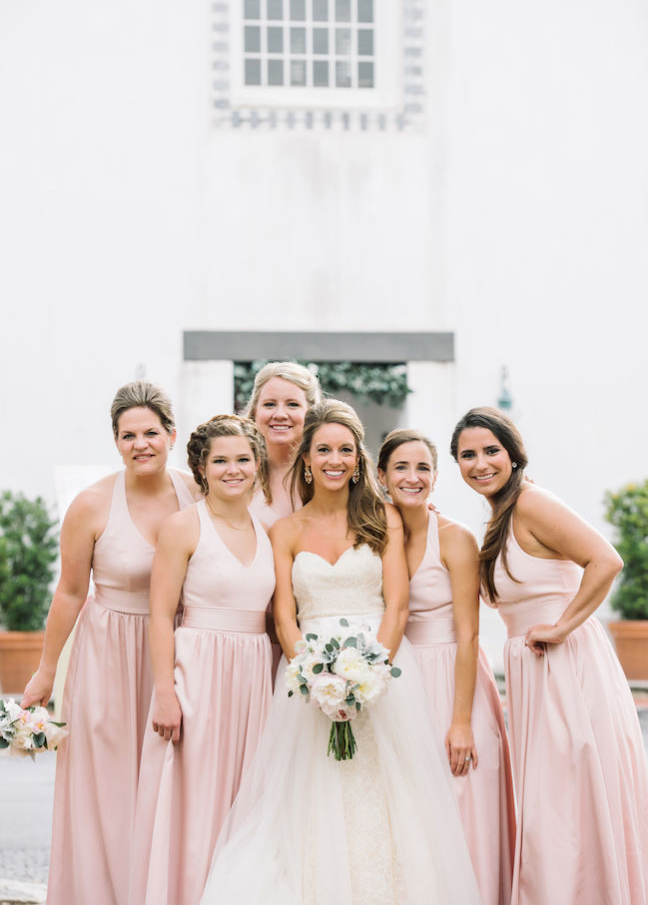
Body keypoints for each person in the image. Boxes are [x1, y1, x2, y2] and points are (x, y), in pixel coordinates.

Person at [200, 400, 481, 904]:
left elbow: (396, 607)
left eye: (346, 450)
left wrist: (370, 675)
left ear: (358, 460)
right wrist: (312, 676)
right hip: (307, 681)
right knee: (311, 796)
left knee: (392, 797)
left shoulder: (384, 519)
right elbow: (284, 615)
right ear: (306, 458)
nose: (335, 459)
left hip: (385, 675)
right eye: (324, 449)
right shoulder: (283, 530)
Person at [451, 406, 648, 905]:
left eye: (490, 451)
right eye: (467, 455)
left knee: (566, 802)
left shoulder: (532, 502)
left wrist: (563, 626)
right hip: (534, 674)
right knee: (554, 803)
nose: (480, 463)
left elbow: (606, 559)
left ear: (513, 454)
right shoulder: (499, 516)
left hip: (566, 669)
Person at [21, 381, 198, 905]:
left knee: (172, 779)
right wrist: (45, 671)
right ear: (116, 442)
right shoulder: (91, 504)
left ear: (171, 434)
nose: (140, 444)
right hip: (107, 654)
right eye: (128, 435)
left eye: (150, 433)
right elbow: (70, 591)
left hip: (180, 652)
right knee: (108, 785)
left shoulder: (199, 492)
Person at [129, 415, 275, 905]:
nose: (233, 470)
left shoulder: (270, 530)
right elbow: (160, 613)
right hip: (197, 675)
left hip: (254, 677)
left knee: (243, 799)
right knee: (194, 801)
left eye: (242, 460)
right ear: (201, 467)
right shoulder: (183, 526)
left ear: (257, 466)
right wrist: (165, 693)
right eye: (220, 461)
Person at [377, 429, 515, 905]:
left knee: (463, 802)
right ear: (380, 476)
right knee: (410, 811)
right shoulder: (374, 536)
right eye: (401, 467)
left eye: (422, 468)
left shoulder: (455, 539)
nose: (412, 478)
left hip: (455, 679)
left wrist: (460, 721)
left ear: (435, 479)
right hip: (400, 682)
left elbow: (470, 634)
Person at [245, 361, 322, 530]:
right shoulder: (237, 472)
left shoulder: (328, 471)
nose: (280, 414)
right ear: (255, 411)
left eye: (292, 404)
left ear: (311, 412)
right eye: (269, 404)